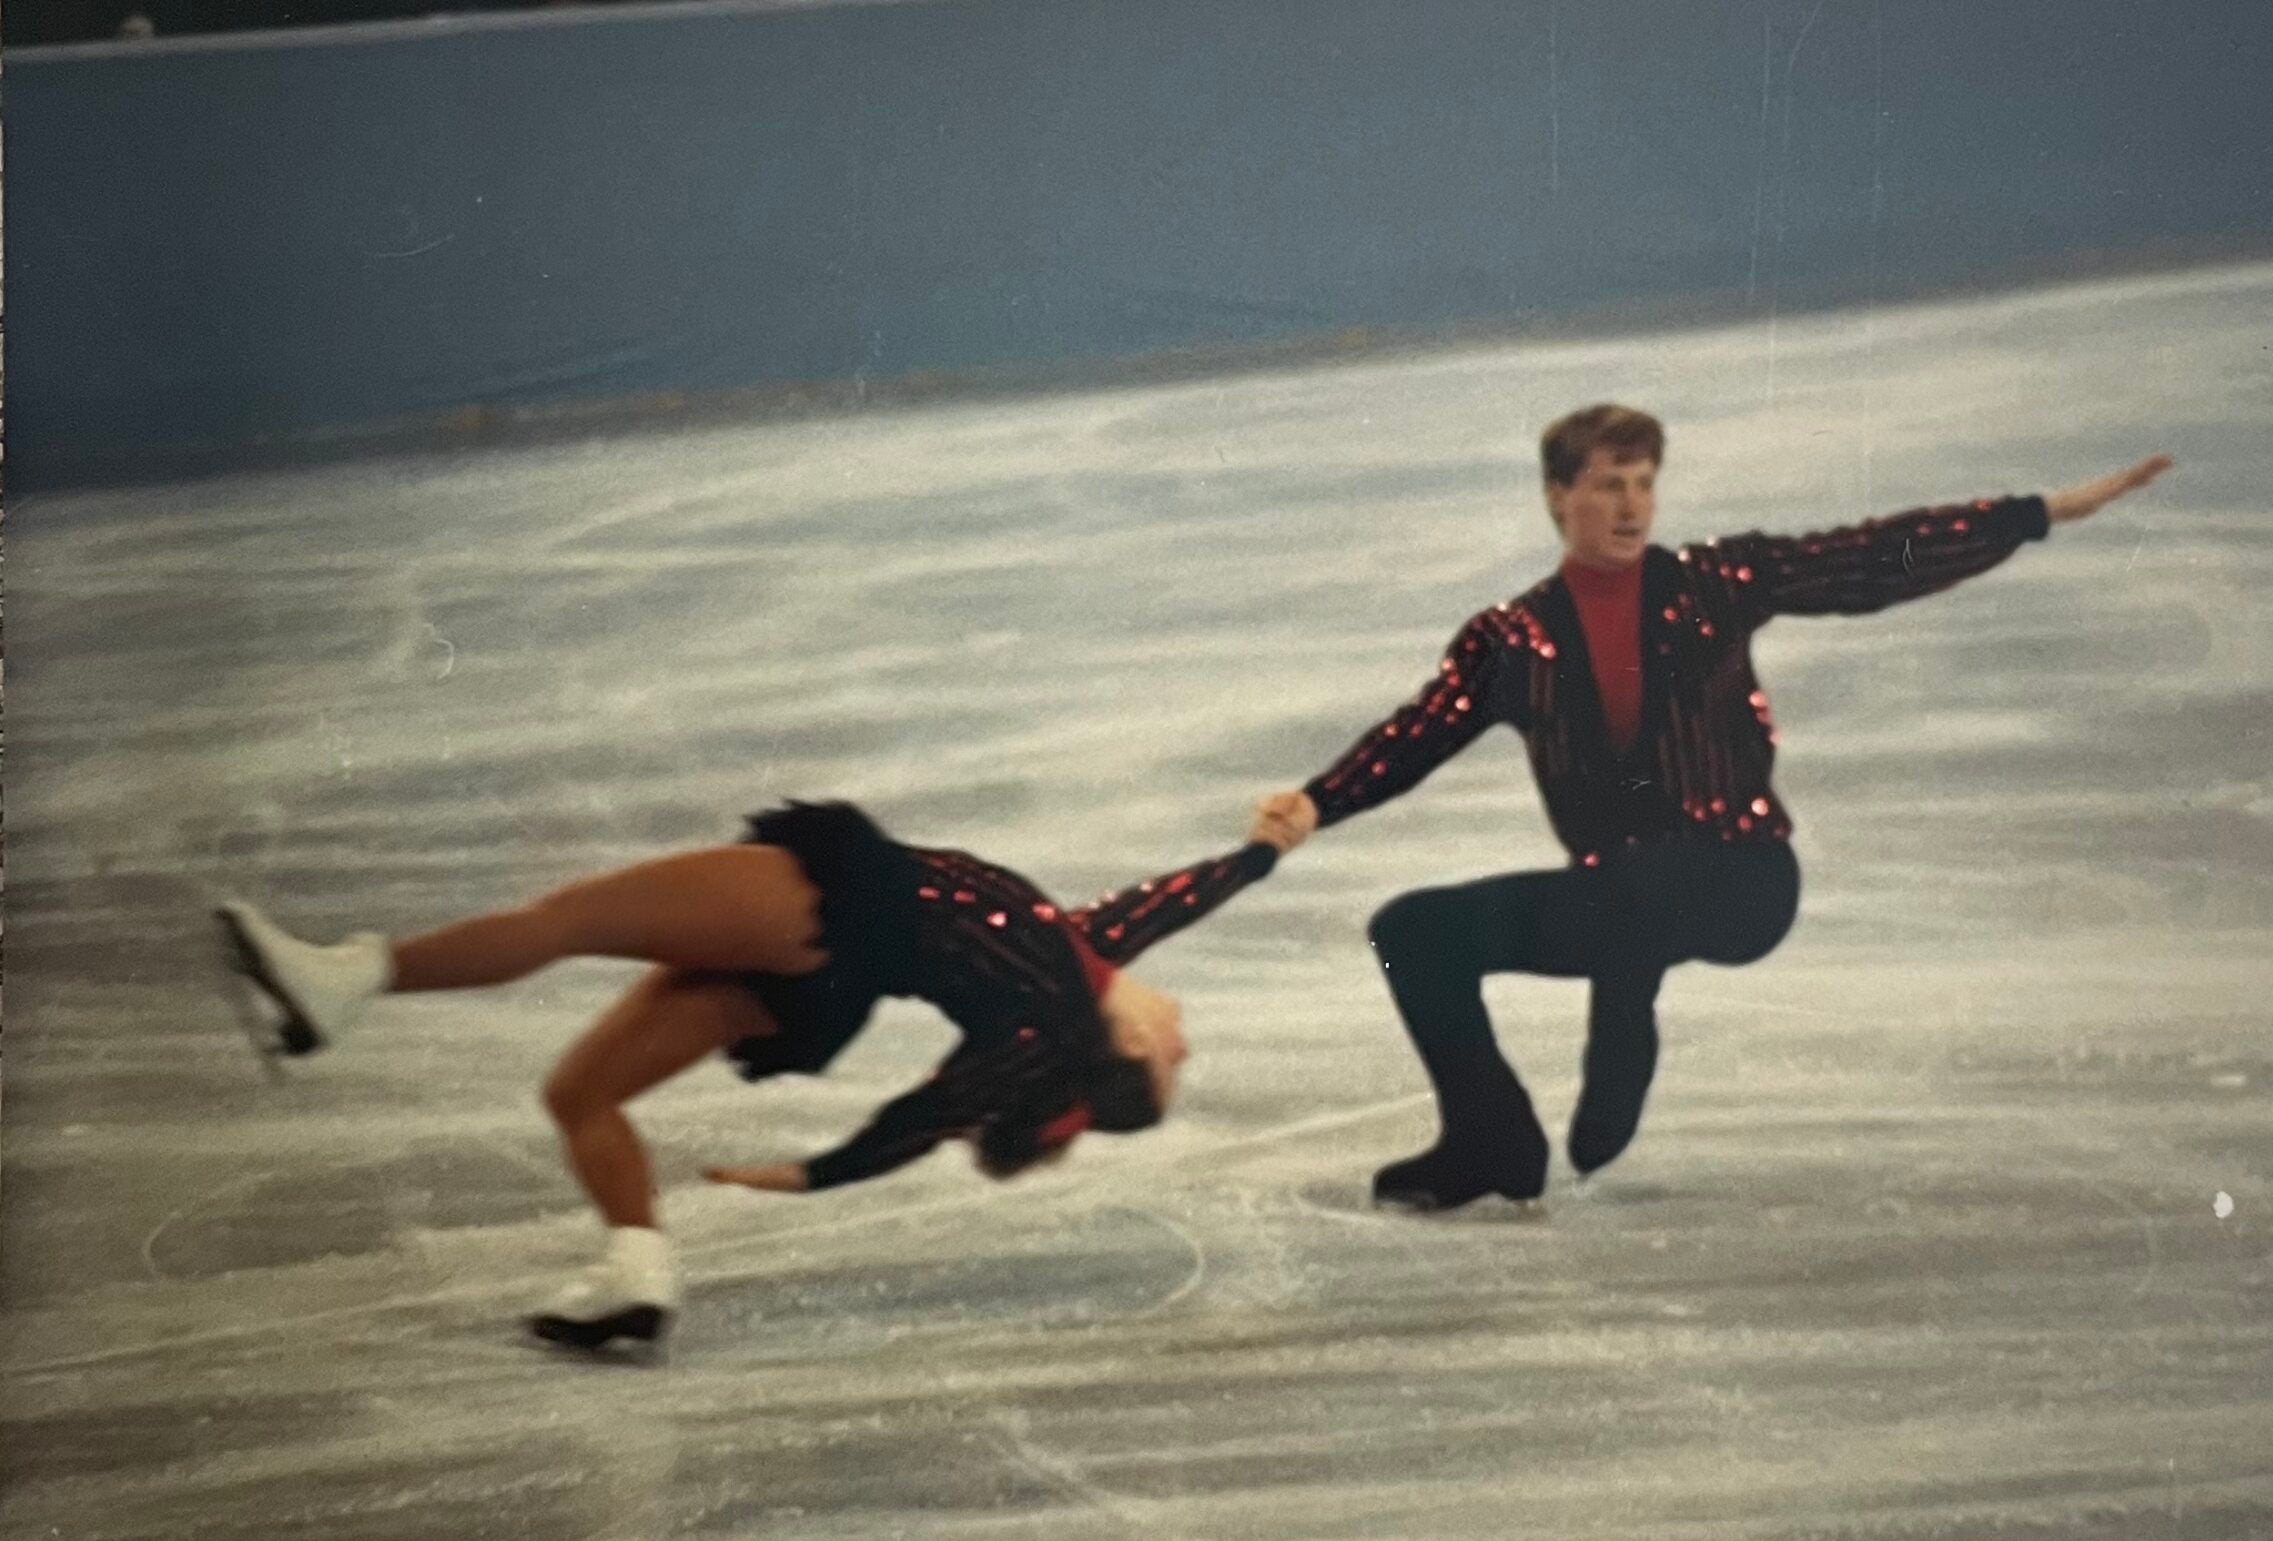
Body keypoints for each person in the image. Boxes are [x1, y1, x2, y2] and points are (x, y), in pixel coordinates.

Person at [1254, 404, 2171, 1212]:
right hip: (1624, 897)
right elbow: (1419, 734)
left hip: (1743, 880)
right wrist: (1316, 801)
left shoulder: (1714, 581)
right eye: (1610, 484)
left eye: (1645, 484)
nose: (1632, 507)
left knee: (1641, 884)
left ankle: (1625, 1016)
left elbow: (1864, 561)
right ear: (1556, 496)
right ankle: (1490, 1136)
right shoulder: (1511, 640)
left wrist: (2035, 514)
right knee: (1411, 931)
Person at [217, 796, 1312, 1350]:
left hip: (831, 911)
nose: (1184, 1038)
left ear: (1120, 1049)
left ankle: (346, 980)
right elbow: (1176, 898)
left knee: (566, 922)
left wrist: (808, 1174)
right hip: (821, 983)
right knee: (580, 1095)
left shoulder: (1060, 996)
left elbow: (914, 1118)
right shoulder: (1070, 972)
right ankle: (637, 1267)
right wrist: (1264, 849)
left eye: (1171, 1060)